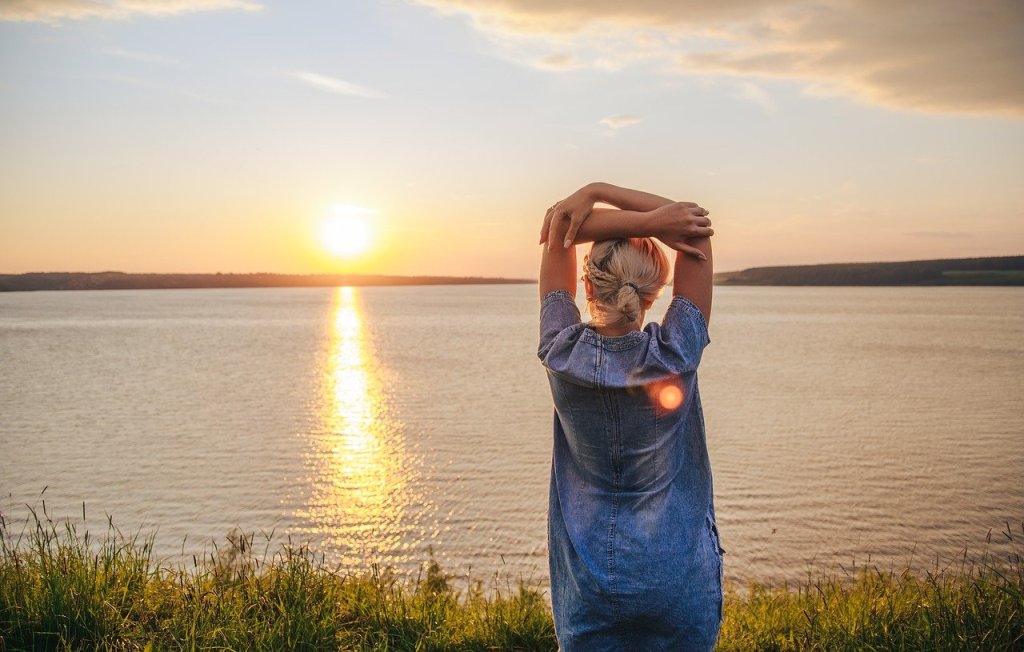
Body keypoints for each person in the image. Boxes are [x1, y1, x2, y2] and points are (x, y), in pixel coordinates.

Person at [537, 182, 723, 651]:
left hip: (590, 587)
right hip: (678, 581)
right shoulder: (676, 352)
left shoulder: (561, 352)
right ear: (654, 293)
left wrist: (600, 199)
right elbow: (696, 230)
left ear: (586, 285)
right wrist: (626, 204)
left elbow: (560, 226)